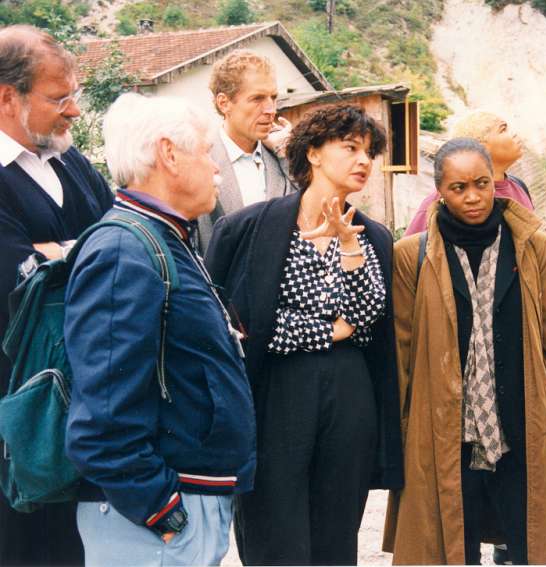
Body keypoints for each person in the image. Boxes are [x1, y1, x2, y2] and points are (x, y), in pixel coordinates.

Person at [63, 93, 256, 566]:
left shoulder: (162, 238)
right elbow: (102, 423)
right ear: (169, 154)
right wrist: (162, 512)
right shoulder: (124, 250)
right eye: (207, 152)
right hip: (154, 521)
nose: (216, 168)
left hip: (180, 507)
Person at [206, 104, 403, 565]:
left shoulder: (371, 236)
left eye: (369, 152)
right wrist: (330, 331)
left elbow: (368, 318)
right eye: (350, 147)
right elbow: (244, 325)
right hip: (275, 390)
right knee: (273, 527)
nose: (363, 161)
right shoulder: (247, 228)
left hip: (349, 392)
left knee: (336, 529)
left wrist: (349, 248)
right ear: (313, 152)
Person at [384, 138, 546, 564]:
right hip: (444, 434)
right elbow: (401, 358)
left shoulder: (535, 248)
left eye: (482, 183)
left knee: (532, 545)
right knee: (450, 549)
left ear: (495, 183)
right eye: (459, 187)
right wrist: (401, 443)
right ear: (439, 191)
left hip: (522, 427)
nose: (473, 197)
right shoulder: (412, 255)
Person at [0, 24, 113, 566]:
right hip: (18, 410)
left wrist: (57, 251)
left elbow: (126, 243)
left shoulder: (72, 162)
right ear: (7, 97)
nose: (73, 111)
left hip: (86, 401)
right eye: (58, 97)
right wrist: (85, 253)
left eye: (76, 95)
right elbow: (16, 279)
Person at [196, 48, 295, 254]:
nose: (271, 110)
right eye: (257, 99)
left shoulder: (283, 157)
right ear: (224, 103)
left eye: (273, 97)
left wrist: (286, 153)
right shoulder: (199, 161)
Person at [404, 110, 529, 236]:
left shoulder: (519, 187)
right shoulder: (439, 203)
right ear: (480, 147)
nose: (514, 134)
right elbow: (410, 252)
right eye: (503, 130)